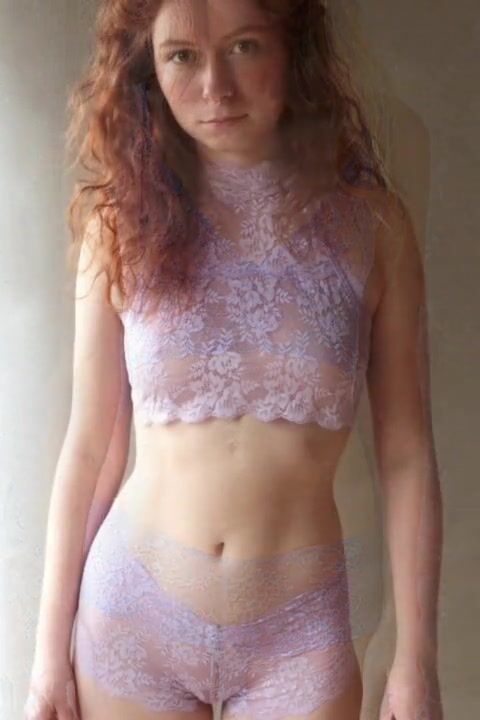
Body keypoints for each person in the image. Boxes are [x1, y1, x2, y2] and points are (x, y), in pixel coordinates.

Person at [24, 1, 444, 719]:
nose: (215, 87)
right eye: (182, 56)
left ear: (293, 49)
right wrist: (45, 658)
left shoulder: (374, 228)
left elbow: (407, 454)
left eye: (244, 47)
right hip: (132, 620)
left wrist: (417, 660)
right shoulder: (119, 226)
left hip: (298, 638)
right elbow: (90, 448)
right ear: (150, 69)